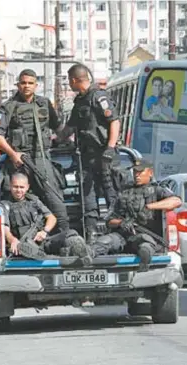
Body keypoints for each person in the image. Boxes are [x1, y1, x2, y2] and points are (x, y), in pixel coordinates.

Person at [0, 69, 70, 233]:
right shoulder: (9, 107)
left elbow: (59, 128)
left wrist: (70, 140)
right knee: (20, 200)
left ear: (36, 85)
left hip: (42, 159)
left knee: (54, 198)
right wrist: (12, 154)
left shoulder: (44, 103)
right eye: (23, 83)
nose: (26, 86)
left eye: (30, 83)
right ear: (18, 84)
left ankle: (65, 235)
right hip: (21, 162)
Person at [57, 64, 121, 243]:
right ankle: (91, 233)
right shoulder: (80, 101)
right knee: (88, 195)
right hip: (86, 156)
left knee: (111, 192)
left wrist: (110, 147)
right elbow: (70, 127)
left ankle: (117, 229)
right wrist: (57, 139)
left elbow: (114, 122)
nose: (69, 84)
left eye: (69, 80)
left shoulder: (99, 97)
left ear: (76, 80)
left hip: (104, 154)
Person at [87, 159, 182, 270]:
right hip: (123, 236)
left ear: (150, 173)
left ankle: (144, 264)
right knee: (105, 241)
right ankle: (87, 255)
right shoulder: (124, 192)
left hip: (146, 236)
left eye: (140, 172)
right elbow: (109, 220)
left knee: (145, 246)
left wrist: (149, 206)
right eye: (135, 172)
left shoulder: (157, 190)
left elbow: (177, 201)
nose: (137, 175)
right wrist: (121, 223)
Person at [0, 173, 88, 261]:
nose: (18, 190)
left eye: (21, 187)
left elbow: (52, 218)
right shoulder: (5, 204)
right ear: (10, 186)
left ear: (27, 187)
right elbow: (4, 227)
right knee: (30, 251)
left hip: (44, 241)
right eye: (15, 187)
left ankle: (83, 253)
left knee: (71, 234)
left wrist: (44, 231)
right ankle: (60, 258)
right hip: (24, 245)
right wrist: (12, 240)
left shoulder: (34, 201)